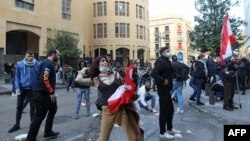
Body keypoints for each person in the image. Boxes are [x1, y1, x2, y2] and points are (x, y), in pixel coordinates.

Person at [75, 56, 143, 141]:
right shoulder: (95, 79)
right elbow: (78, 79)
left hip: (121, 108)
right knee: (103, 139)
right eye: (102, 61)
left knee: (133, 137)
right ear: (97, 64)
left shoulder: (116, 74)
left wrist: (131, 93)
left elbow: (124, 87)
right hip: (107, 110)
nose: (105, 62)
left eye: (106, 61)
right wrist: (82, 71)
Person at [26, 49, 60, 141]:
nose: (59, 56)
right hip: (41, 93)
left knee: (53, 109)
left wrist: (51, 93)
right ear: (53, 54)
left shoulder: (49, 63)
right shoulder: (47, 63)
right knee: (40, 115)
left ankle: (48, 131)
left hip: (46, 93)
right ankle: (30, 138)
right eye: (58, 55)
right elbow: (45, 79)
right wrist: (51, 92)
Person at [151, 47, 182, 139]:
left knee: (170, 110)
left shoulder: (167, 61)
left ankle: (169, 128)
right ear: (162, 53)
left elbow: (169, 72)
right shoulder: (161, 61)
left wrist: (176, 76)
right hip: (162, 88)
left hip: (167, 88)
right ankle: (162, 132)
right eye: (167, 51)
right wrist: (163, 80)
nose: (169, 52)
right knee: (164, 111)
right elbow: (153, 73)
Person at [8, 51, 40, 133]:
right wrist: (17, 88)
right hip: (22, 88)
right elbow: (17, 77)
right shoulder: (20, 64)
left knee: (33, 107)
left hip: (33, 89)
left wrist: (38, 88)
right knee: (19, 107)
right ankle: (17, 124)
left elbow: (40, 76)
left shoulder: (37, 64)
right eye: (29, 56)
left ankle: (32, 124)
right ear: (25, 56)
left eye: (32, 56)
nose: (30, 58)